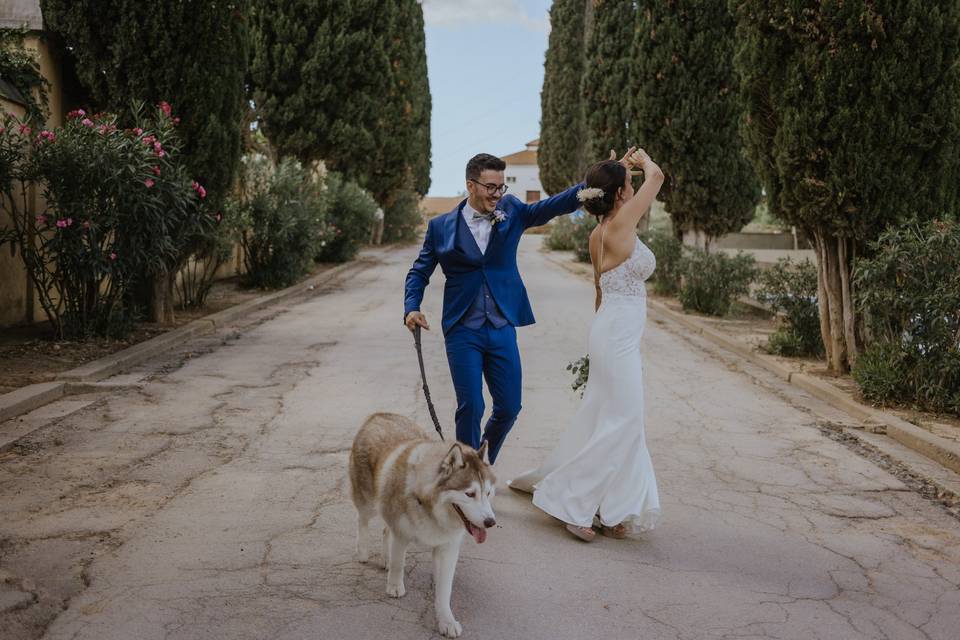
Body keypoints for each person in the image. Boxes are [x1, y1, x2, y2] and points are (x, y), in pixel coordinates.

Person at [509, 147, 664, 542]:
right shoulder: (620, 224)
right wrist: (642, 161)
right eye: (629, 185)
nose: (634, 188)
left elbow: (600, 292)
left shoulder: (600, 232)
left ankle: (612, 509)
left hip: (611, 330)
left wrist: (620, 170)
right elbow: (658, 178)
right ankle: (570, 502)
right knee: (625, 420)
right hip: (616, 334)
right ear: (619, 195)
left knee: (607, 417)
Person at [403, 152, 589, 464]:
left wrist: (594, 183)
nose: (497, 194)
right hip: (463, 329)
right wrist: (412, 307)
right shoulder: (441, 227)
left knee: (509, 407)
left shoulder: (512, 210)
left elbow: (550, 207)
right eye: (490, 187)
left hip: (502, 326)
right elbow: (419, 271)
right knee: (471, 406)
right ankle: (465, 479)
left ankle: (480, 464)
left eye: (500, 187)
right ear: (470, 186)